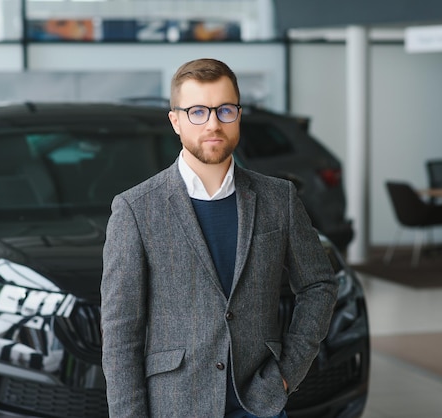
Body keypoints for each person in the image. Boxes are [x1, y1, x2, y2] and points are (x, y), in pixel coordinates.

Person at [101, 58, 338, 418]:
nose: (213, 124)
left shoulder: (279, 198)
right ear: (176, 121)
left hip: (260, 404)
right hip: (176, 405)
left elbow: (319, 285)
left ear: (238, 115)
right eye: (197, 111)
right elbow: (121, 334)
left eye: (225, 110)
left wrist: (287, 373)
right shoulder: (135, 209)